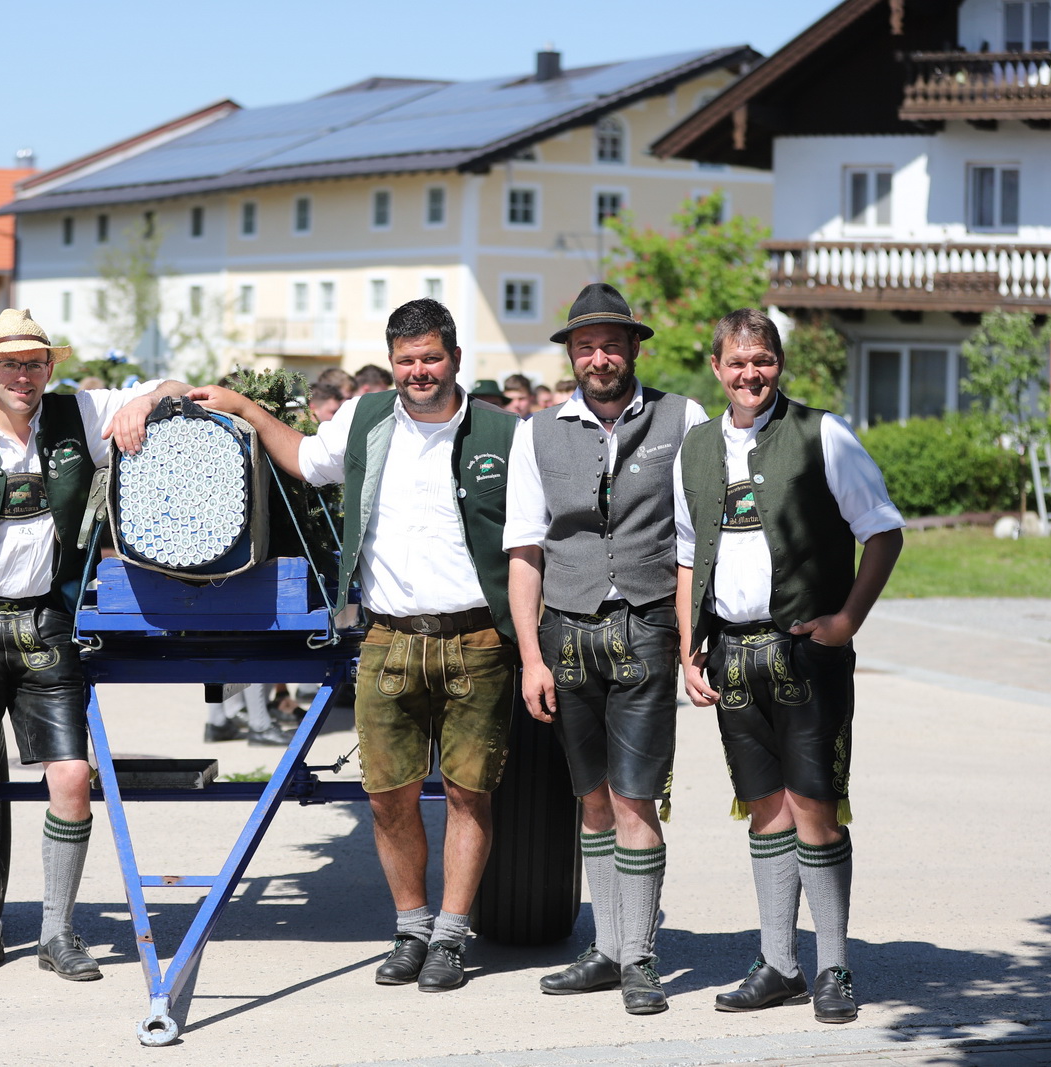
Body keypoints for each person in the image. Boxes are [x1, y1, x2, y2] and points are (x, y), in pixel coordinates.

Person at [189, 298, 519, 993]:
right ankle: (412, 928)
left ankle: (451, 938)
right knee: (388, 796)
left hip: (478, 638)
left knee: (469, 795)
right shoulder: (364, 418)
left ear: (455, 358)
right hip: (389, 637)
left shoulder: (505, 433)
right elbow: (305, 460)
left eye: (431, 357)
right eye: (406, 360)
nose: (419, 371)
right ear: (392, 363)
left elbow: (530, 541)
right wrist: (245, 408)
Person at [0, 309, 187, 979]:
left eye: (34, 363)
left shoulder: (78, 414)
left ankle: (57, 932)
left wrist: (141, 404)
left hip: (46, 624)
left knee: (71, 777)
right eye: (10, 363)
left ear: (49, 368)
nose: (23, 376)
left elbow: (180, 387)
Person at [675, 309, 903, 1024]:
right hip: (731, 654)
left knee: (815, 809)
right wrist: (688, 645)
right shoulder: (697, 448)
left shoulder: (822, 433)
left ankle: (833, 967)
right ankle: (779, 964)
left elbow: (883, 533)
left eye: (763, 360)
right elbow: (688, 554)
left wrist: (847, 621)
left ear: (779, 364)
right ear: (717, 367)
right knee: (765, 811)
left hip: (806, 653)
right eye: (738, 362)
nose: (751, 373)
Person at [505, 283, 707, 1015]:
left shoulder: (684, 418)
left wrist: (692, 642)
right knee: (590, 797)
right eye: (586, 345)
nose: (599, 357)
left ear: (633, 349)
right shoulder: (536, 432)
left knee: (634, 797)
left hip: (647, 628)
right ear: (571, 354)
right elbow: (524, 550)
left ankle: (640, 958)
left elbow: (696, 542)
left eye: (611, 344)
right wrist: (531, 657)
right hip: (566, 633)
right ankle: (608, 948)